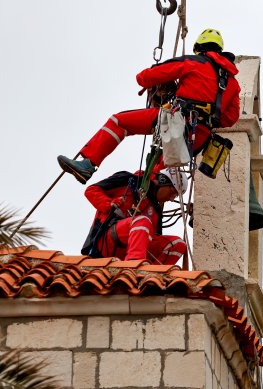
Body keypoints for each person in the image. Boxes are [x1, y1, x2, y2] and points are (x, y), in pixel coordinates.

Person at [58, 28, 241, 184]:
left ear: (199, 48)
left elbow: (143, 78)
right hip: (199, 139)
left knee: (119, 122)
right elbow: (230, 118)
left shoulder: (192, 62)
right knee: (154, 177)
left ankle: (88, 164)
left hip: (175, 123)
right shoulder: (232, 82)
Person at [81, 167, 189, 263]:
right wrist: (109, 204)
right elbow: (91, 190)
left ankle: (154, 276)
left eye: (174, 197)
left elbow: (154, 239)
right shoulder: (128, 180)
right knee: (142, 221)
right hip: (106, 242)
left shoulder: (155, 211)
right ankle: (134, 264)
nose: (171, 199)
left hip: (131, 249)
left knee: (178, 244)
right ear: (162, 181)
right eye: (172, 192)